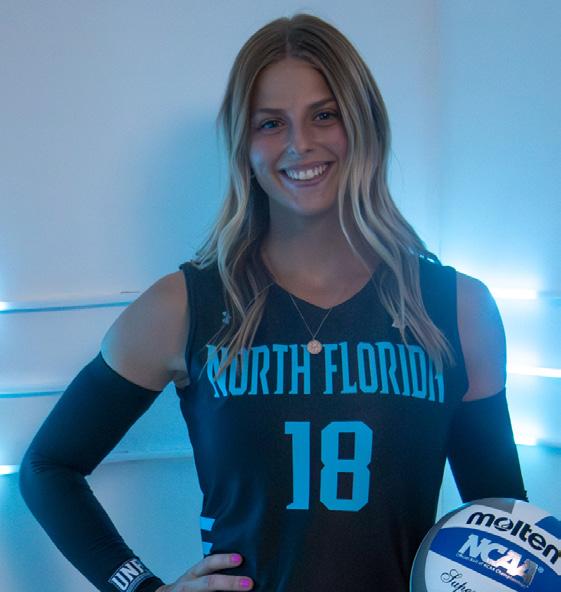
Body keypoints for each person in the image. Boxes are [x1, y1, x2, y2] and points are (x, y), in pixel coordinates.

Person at [19, 12, 527, 592]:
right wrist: (142, 588)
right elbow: (47, 468)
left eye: (324, 115)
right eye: (270, 123)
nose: (299, 144)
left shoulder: (456, 308)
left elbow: (506, 524)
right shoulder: (183, 307)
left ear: (364, 124)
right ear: (243, 145)